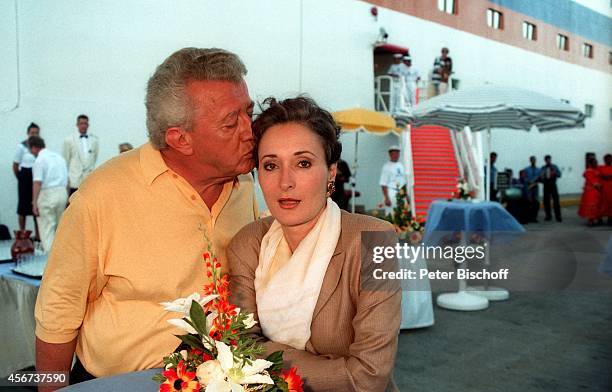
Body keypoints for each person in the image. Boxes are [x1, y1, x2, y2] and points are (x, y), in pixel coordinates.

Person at [35, 48, 258, 385]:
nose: (249, 131)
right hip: (118, 382)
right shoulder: (102, 196)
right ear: (180, 139)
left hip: (220, 378)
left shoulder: (245, 184)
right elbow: (58, 311)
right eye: (231, 122)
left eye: (248, 113)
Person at [229, 97, 400, 391]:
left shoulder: (374, 241)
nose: (285, 182)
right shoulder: (248, 243)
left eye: (303, 163)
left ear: (331, 172)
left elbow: (369, 376)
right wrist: (334, 366)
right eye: (271, 165)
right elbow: (239, 345)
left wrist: (265, 355)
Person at [28, 136, 68, 253]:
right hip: (62, 192)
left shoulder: (39, 160)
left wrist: (34, 202)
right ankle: (61, 257)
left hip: (47, 194)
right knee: (60, 229)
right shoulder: (59, 157)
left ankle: (49, 260)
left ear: (34, 148)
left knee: (47, 229)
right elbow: (67, 179)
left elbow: (37, 182)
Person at [13, 122, 41, 239]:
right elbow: (15, 165)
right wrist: (21, 178)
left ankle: (38, 235)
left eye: (36, 133)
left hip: (36, 178)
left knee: (36, 207)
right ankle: (22, 234)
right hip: (25, 177)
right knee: (23, 209)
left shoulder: (41, 147)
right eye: (32, 133)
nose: (34, 135)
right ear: (28, 133)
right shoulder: (22, 147)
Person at [63, 114, 99, 196]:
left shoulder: (94, 140)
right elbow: (66, 160)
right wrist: (67, 179)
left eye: (85, 123)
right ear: (77, 125)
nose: (83, 126)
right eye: (81, 123)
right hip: (74, 179)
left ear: (88, 125)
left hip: (88, 179)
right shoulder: (69, 140)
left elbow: (94, 157)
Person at [380, 145, 406, 216]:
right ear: (390, 154)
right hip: (391, 192)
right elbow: (383, 183)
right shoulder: (386, 166)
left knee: (402, 214)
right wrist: (386, 198)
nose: (396, 155)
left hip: (401, 193)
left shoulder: (401, 165)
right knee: (391, 214)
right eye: (394, 153)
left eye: (397, 153)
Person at [578, 158, 602, 226]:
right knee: (591, 206)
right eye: (595, 162)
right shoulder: (588, 171)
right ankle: (590, 221)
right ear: (590, 164)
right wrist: (598, 185)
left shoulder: (596, 170)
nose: (596, 163)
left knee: (595, 206)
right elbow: (592, 181)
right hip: (590, 191)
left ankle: (594, 220)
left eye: (596, 162)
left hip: (595, 191)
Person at [541, 155, 562, 222]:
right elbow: (541, 177)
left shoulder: (554, 167)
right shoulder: (543, 168)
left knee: (556, 201)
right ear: (545, 160)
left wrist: (555, 173)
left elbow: (559, 174)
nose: (548, 161)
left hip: (553, 185)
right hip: (546, 185)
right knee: (546, 201)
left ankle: (558, 216)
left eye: (549, 159)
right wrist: (543, 176)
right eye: (547, 160)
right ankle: (548, 216)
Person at [524, 156, 541, 223]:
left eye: (534, 160)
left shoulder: (539, 170)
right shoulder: (526, 169)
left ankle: (534, 217)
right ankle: (529, 217)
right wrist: (529, 181)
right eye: (532, 160)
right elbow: (524, 178)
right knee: (529, 202)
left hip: (535, 187)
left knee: (536, 203)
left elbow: (541, 178)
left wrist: (538, 179)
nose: (533, 161)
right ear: (530, 161)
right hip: (529, 187)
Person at [597, 154, 612, 225]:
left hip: (610, 189)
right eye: (607, 159)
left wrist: (606, 177)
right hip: (602, 188)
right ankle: (600, 219)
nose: (609, 160)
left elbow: (605, 176)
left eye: (610, 159)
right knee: (601, 204)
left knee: (610, 204)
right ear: (604, 160)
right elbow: (599, 175)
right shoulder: (600, 167)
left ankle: (610, 219)